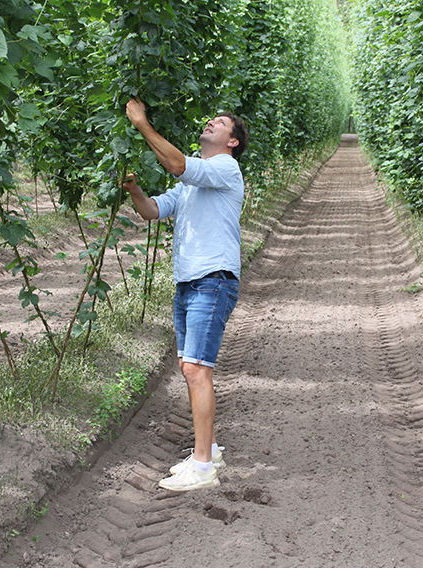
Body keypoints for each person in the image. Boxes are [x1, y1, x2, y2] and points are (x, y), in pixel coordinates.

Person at [121, 97, 248, 491]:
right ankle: (206, 449)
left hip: (214, 279)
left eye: (221, 123)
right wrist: (133, 188)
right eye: (212, 118)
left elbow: (177, 163)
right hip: (190, 281)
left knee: (197, 369)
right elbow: (153, 211)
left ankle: (204, 466)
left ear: (233, 143)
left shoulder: (225, 168)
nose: (212, 122)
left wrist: (142, 123)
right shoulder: (193, 182)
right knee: (189, 365)